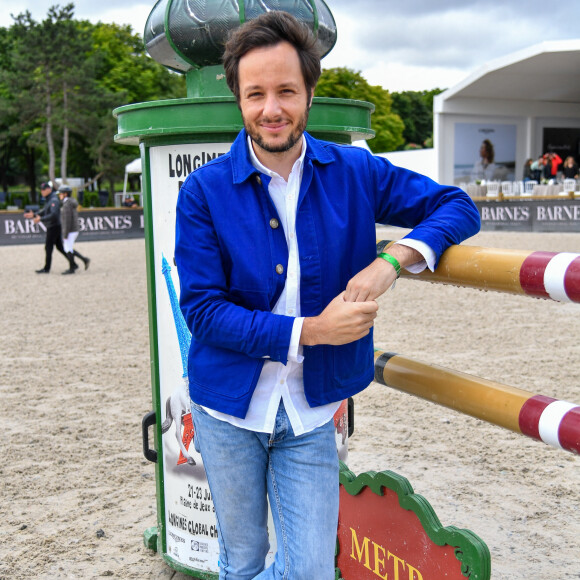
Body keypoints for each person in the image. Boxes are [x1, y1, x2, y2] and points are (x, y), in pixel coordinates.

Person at [174, 11, 481, 580]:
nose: (272, 109)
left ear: (310, 92)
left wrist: (392, 260)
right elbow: (203, 311)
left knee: (311, 569)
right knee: (240, 561)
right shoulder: (204, 191)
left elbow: (458, 206)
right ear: (238, 100)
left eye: (286, 91)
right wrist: (310, 331)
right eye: (256, 94)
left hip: (312, 410)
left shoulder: (354, 171)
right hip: (227, 409)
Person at [24, 181, 68, 274]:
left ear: (49, 189)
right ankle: (75, 262)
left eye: (44, 189)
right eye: (41, 190)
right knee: (60, 247)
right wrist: (34, 215)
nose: (42, 191)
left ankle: (46, 268)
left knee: (48, 247)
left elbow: (54, 215)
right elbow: (45, 211)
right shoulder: (49, 199)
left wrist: (40, 219)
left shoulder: (53, 200)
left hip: (54, 226)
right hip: (53, 226)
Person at [58, 185, 90, 274]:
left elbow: (67, 220)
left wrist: (65, 233)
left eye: (60, 194)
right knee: (68, 248)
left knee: (68, 248)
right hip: (73, 229)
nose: (59, 195)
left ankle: (72, 268)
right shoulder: (69, 202)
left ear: (65, 194)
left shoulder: (67, 204)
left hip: (70, 229)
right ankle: (83, 260)